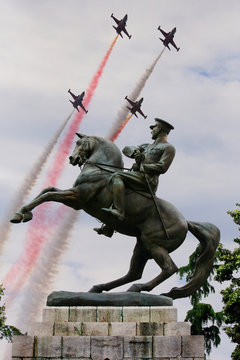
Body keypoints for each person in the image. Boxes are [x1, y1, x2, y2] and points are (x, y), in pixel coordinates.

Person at [94, 118, 175, 237]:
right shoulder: (146, 146)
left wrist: (143, 165)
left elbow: (162, 167)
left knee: (117, 177)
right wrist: (135, 153)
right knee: (117, 188)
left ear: (160, 129)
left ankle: (119, 211)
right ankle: (110, 226)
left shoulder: (168, 148)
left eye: (154, 128)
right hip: (137, 176)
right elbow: (126, 149)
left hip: (148, 180)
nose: (151, 131)